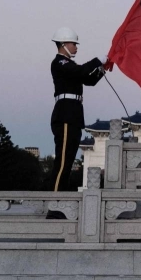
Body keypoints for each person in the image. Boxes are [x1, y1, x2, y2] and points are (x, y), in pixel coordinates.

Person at [48, 27, 106, 193]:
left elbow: (88, 80)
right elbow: (81, 71)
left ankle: (60, 199)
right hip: (65, 115)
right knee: (63, 161)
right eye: (74, 43)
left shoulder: (70, 65)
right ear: (64, 44)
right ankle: (55, 203)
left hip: (73, 116)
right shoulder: (59, 62)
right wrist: (98, 61)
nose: (76, 47)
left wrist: (102, 69)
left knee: (68, 160)